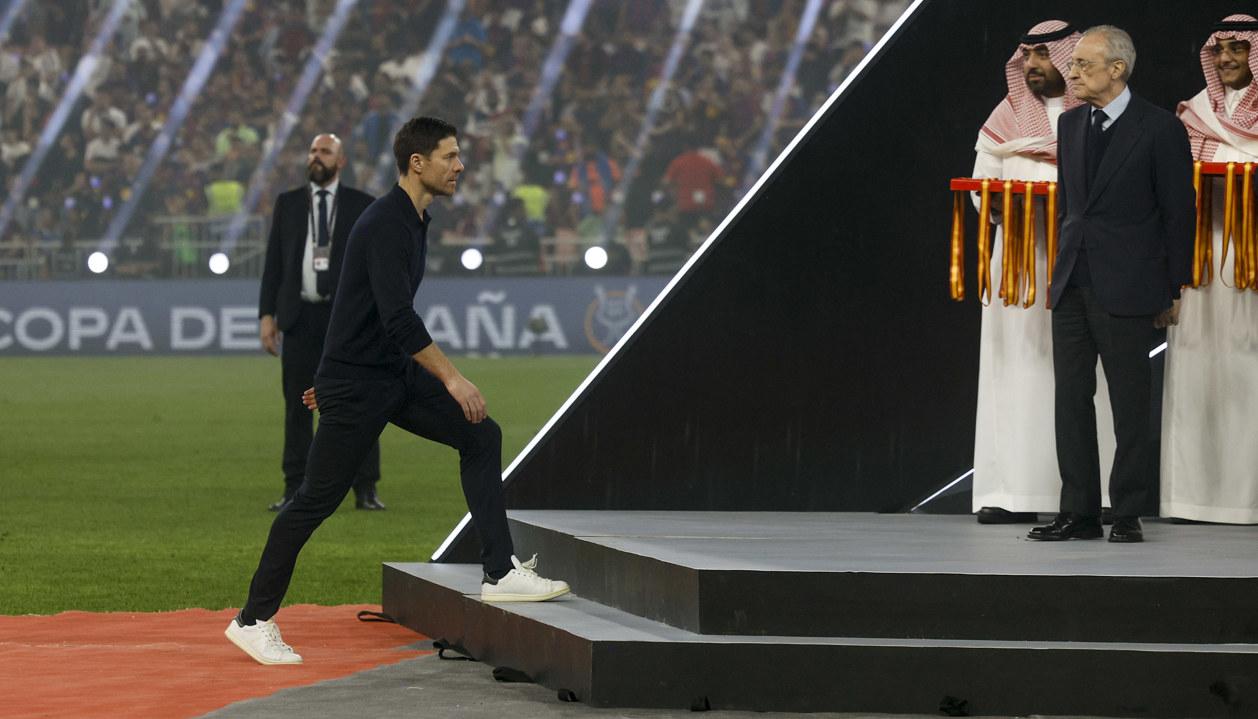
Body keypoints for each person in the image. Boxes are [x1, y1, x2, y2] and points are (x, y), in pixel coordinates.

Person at [227, 117, 569, 666]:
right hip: (362, 384)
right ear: (417, 163)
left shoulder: (412, 219)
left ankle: (500, 572)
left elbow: (353, 301)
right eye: (451, 156)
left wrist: (331, 371)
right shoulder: (387, 222)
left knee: (482, 435)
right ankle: (251, 620)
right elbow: (397, 318)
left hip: (381, 376)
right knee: (315, 501)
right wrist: (450, 377)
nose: (460, 166)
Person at [1028, 26, 1195, 543]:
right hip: (1073, 282)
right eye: (1072, 64)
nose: (1071, 72)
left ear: (1116, 69)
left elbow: (1178, 214)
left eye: (1081, 64)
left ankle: (1125, 512)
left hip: (1130, 284)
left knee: (1128, 404)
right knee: (1071, 400)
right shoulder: (1071, 124)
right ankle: (1077, 512)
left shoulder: (1161, 128)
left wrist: (1173, 288)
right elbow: (1071, 207)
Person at [969, 21, 1118, 525]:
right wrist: (998, 205)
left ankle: (1078, 494)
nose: (1033, 66)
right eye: (1026, 57)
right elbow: (981, 181)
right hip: (1018, 266)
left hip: (1079, 265)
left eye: (1043, 56)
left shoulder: (1095, 119)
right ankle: (1008, 491)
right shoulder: (1005, 116)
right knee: (1012, 371)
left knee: (1076, 378)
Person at [1163, 15, 1258, 523]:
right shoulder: (1195, 113)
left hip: (1252, 263)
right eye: (1218, 51)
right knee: (1198, 370)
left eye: (1238, 51)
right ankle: (1190, 499)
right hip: (1199, 263)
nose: (1225, 60)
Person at [257, 134, 384, 512]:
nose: (316, 157)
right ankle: (294, 486)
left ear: (341, 161)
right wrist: (268, 315)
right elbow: (274, 264)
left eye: (324, 152)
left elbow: (372, 267)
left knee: (358, 402)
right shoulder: (289, 203)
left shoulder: (363, 205)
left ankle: (365, 488)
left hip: (344, 320)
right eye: (313, 151)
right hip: (299, 318)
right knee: (297, 407)